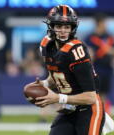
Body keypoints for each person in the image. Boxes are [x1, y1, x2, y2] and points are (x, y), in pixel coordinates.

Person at [25, 5, 105, 135]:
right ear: (51, 27)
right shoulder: (46, 45)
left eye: (67, 27)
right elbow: (56, 76)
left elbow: (90, 97)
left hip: (89, 109)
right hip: (69, 109)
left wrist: (58, 98)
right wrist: (44, 84)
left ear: (73, 28)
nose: (63, 31)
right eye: (59, 26)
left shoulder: (76, 51)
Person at [84, 14, 114, 114]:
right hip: (95, 70)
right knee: (95, 94)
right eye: (104, 22)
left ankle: (105, 115)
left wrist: (110, 51)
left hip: (107, 70)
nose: (106, 25)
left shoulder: (109, 37)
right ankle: (94, 115)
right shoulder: (90, 38)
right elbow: (86, 54)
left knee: (104, 94)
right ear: (99, 23)